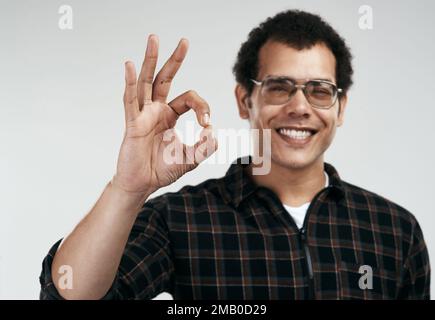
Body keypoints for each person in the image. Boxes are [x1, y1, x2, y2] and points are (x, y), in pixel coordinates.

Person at [39, 10, 430, 300]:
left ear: (340, 108)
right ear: (245, 101)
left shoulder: (395, 230)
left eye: (320, 90)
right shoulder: (180, 220)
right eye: (279, 87)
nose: (299, 106)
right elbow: (70, 295)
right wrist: (127, 189)